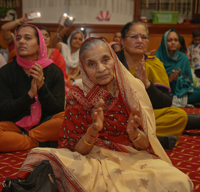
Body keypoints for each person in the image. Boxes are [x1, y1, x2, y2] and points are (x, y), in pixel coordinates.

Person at [17, 38, 193, 192]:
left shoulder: (132, 89)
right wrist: (93, 131)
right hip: (90, 158)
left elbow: (146, 143)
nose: (101, 68)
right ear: (83, 68)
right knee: (43, 157)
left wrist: (134, 134)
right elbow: (75, 148)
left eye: (105, 60)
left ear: (114, 59)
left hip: (131, 157)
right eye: (91, 64)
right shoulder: (78, 94)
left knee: (178, 181)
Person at [116, 22, 187, 149]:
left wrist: (146, 85)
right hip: (116, 114)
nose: (139, 41)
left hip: (143, 116)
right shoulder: (112, 61)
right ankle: (152, 141)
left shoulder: (154, 64)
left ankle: (129, 138)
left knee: (179, 116)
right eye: (134, 36)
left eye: (143, 37)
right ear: (122, 41)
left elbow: (166, 102)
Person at [0, 24, 65, 152]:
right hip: (15, 124)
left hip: (45, 124)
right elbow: (3, 111)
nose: (21, 42)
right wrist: (29, 95)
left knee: (67, 119)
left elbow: (57, 109)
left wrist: (41, 87)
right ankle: (38, 142)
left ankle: (22, 140)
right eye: (18, 38)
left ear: (39, 43)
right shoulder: (6, 72)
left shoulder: (54, 71)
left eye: (27, 38)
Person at [155, 28, 200, 106]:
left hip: (182, 91)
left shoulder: (183, 57)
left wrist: (177, 79)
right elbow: (154, 84)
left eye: (176, 40)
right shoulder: (158, 58)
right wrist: (169, 79)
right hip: (164, 93)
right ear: (164, 42)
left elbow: (188, 82)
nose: (173, 43)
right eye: (170, 40)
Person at [38, 26, 71, 96]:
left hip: (55, 84)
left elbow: (62, 74)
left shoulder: (56, 53)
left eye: (46, 36)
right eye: (41, 35)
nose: (44, 38)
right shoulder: (31, 55)